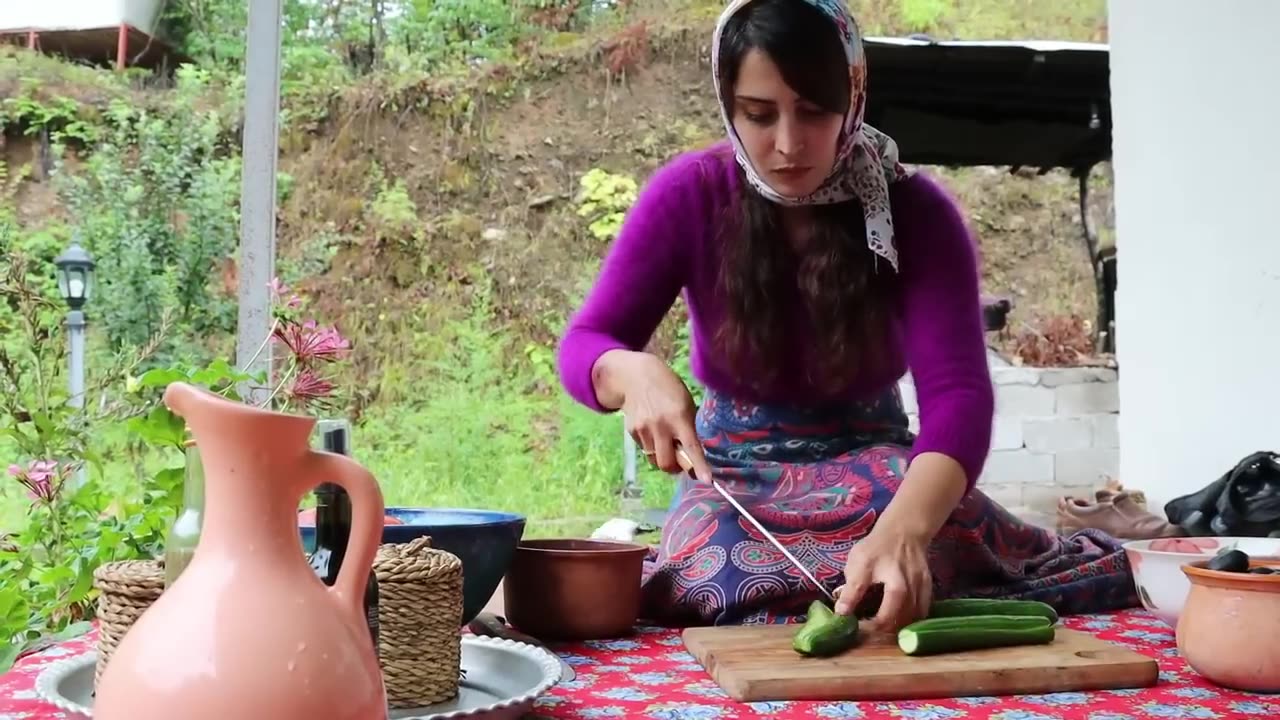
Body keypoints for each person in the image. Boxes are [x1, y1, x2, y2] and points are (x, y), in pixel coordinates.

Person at [556, 0, 1138, 630]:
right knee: (715, 566)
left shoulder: (914, 212)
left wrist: (907, 531)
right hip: (734, 480)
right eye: (758, 114)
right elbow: (588, 342)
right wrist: (631, 370)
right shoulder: (689, 196)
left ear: (854, 96)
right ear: (728, 104)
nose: (786, 143)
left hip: (877, 468)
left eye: (814, 110)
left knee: (931, 544)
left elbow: (958, 396)